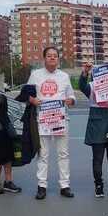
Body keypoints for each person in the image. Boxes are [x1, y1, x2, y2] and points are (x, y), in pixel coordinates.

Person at [26, 46, 76, 200]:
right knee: (43, 154)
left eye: (55, 55)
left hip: (60, 120)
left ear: (58, 59)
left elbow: (72, 97)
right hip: (43, 120)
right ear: (44, 58)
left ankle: (65, 185)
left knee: (63, 153)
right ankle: (42, 186)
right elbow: (26, 95)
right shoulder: (35, 75)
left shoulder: (64, 76)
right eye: (49, 55)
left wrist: (70, 100)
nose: (52, 58)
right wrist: (33, 100)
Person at [79, 62, 108, 197]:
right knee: (98, 158)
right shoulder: (92, 87)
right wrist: (85, 72)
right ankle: (98, 185)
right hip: (97, 125)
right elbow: (82, 86)